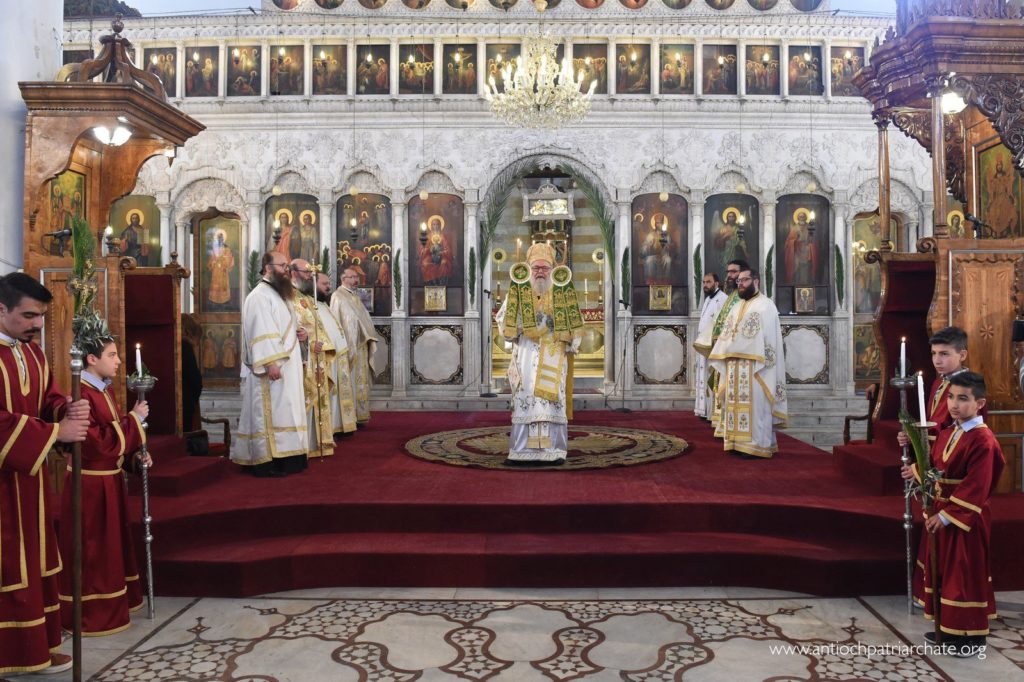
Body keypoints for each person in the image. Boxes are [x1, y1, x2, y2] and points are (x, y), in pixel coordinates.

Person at [0, 273, 89, 676]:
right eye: (29, 315)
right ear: (1, 309)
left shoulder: (30, 351)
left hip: (28, 481)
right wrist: (56, 432)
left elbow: (45, 397)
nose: (38, 324)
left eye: (40, 316)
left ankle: (32, 646)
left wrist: (64, 409)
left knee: (32, 560)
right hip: (3, 483)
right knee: (7, 563)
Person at [902, 372, 1004, 657]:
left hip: (965, 519)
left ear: (979, 403)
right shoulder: (949, 431)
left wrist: (947, 516)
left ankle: (970, 636)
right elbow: (937, 468)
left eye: (963, 399)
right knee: (946, 571)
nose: (954, 404)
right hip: (942, 512)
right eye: (950, 397)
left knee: (964, 574)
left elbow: (977, 486)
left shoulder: (983, 440)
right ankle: (948, 629)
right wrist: (917, 472)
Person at [59, 334, 149, 636]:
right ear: (91, 359)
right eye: (112, 355)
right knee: (94, 551)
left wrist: (136, 459)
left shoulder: (102, 391)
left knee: (111, 549)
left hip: (107, 483)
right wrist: (134, 421)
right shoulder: (82, 393)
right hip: (89, 488)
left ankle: (113, 607)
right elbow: (97, 445)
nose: (119, 361)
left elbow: (115, 444)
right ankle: (91, 616)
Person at [494, 243, 584, 465]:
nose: (540, 272)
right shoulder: (517, 292)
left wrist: (562, 331)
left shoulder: (562, 292)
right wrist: (519, 325)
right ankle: (520, 451)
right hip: (525, 357)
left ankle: (554, 451)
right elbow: (503, 324)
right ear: (528, 268)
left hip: (553, 355)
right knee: (526, 399)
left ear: (552, 269)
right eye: (536, 268)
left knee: (550, 401)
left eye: (545, 268)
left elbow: (576, 326)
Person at [232, 252, 309, 476]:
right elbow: (261, 331)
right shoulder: (259, 296)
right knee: (273, 412)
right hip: (273, 366)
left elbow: (282, 327)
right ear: (268, 268)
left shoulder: (280, 295)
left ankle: (291, 455)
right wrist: (271, 363)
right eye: (283, 265)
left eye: (287, 265)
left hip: (289, 365)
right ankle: (270, 461)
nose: (287, 269)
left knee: (289, 409)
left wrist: (300, 332)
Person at [708, 267, 788, 459]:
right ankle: (736, 443)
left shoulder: (766, 306)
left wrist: (738, 347)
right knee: (734, 405)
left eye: (744, 280)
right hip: (735, 368)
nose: (741, 284)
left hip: (757, 369)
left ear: (756, 281)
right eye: (739, 281)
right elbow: (728, 334)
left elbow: (768, 341)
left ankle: (757, 446)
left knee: (757, 408)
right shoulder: (736, 306)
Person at [897, 326, 985, 448]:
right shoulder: (938, 382)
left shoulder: (970, 388)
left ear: (962, 355)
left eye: (944, 354)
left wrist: (916, 437)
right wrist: (911, 435)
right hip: (933, 453)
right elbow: (931, 422)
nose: (937, 361)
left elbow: (963, 435)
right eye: (934, 353)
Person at [694, 259, 747, 428]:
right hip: (711, 344)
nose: (730, 276)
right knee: (710, 380)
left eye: (734, 272)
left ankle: (715, 415)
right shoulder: (722, 297)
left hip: (725, 348)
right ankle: (708, 412)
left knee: (716, 381)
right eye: (728, 272)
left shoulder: (724, 298)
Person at [291, 259, 336, 458]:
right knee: (304, 400)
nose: (310, 275)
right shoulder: (287, 297)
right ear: (294, 272)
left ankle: (317, 443)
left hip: (315, 357)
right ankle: (303, 445)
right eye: (306, 271)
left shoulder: (307, 297)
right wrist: (308, 343)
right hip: (302, 359)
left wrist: (320, 343)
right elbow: (290, 328)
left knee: (318, 400)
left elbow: (317, 327)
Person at [330, 267, 381, 425]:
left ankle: (359, 415)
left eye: (356, 277)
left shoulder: (354, 296)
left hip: (360, 346)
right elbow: (337, 321)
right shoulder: (338, 296)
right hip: (348, 348)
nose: (355, 280)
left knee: (360, 382)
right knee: (349, 382)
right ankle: (348, 418)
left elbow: (363, 319)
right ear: (343, 279)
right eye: (352, 277)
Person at [316, 272, 358, 438]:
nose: (328, 286)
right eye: (324, 283)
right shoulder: (314, 305)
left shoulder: (324, 305)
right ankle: (333, 427)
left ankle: (341, 425)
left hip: (338, 354)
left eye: (328, 283)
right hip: (328, 357)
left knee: (340, 393)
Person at [692, 272, 728, 420]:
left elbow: (720, 325)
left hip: (713, 346)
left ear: (716, 283)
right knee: (702, 376)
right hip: (703, 344)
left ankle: (713, 414)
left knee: (711, 377)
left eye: (708, 282)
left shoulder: (723, 299)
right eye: (704, 282)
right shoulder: (707, 299)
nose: (705, 285)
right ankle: (703, 410)